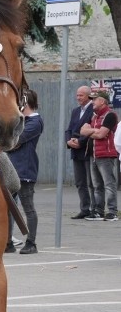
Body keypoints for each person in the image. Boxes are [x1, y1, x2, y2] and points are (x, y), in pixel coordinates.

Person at [5, 90, 43, 254]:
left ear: (25, 103)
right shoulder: (23, 120)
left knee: (28, 208)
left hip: (25, 169)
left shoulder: (35, 122)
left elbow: (15, 141)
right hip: (12, 169)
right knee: (8, 208)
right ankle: (8, 242)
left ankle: (31, 243)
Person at [79, 90, 118, 221]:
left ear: (102, 101)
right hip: (93, 155)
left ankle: (112, 212)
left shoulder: (110, 115)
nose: (92, 102)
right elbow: (82, 130)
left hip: (106, 155)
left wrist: (90, 132)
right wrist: (94, 131)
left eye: (95, 99)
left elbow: (101, 135)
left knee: (109, 184)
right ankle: (98, 212)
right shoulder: (94, 116)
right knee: (97, 186)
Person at [65, 85, 95, 218]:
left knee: (92, 182)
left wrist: (80, 142)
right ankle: (84, 209)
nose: (78, 98)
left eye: (81, 95)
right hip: (75, 151)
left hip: (87, 150)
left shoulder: (93, 110)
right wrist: (68, 142)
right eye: (77, 95)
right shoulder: (75, 111)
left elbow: (92, 129)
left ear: (88, 96)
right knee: (80, 182)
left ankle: (95, 209)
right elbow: (69, 129)